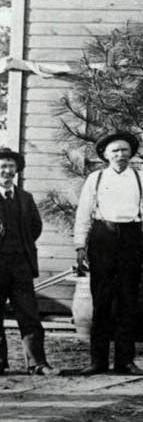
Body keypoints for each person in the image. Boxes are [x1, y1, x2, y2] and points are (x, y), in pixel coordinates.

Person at [73, 129, 143, 376]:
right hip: (102, 240)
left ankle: (125, 360)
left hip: (131, 241)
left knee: (128, 302)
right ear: (106, 155)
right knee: (101, 302)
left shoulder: (142, 179)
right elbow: (83, 215)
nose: (121, 155)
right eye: (115, 151)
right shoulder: (96, 179)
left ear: (131, 153)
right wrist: (80, 246)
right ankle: (97, 360)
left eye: (125, 150)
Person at [0, 147, 52, 376]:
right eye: (2, 166)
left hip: (21, 266)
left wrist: (21, 248)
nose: (7, 171)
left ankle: (37, 363)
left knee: (29, 315)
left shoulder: (25, 198)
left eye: (11, 166)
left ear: (17, 170)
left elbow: (35, 227)